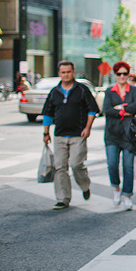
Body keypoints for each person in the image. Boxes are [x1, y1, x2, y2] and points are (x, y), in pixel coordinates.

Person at [42, 60, 99, 210]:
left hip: (78, 135)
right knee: (60, 167)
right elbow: (48, 113)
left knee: (76, 164)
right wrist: (46, 133)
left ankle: (85, 185)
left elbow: (92, 110)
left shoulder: (81, 90)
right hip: (60, 135)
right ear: (59, 73)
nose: (66, 75)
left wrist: (88, 128)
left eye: (68, 72)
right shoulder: (55, 92)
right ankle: (63, 198)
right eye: (63, 72)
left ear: (73, 72)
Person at [103, 61, 136, 211]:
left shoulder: (134, 90)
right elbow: (106, 109)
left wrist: (119, 108)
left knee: (128, 167)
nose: (122, 76)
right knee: (112, 164)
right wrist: (124, 111)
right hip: (112, 134)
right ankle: (116, 188)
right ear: (115, 74)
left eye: (125, 74)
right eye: (119, 74)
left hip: (129, 134)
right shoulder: (109, 91)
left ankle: (127, 195)